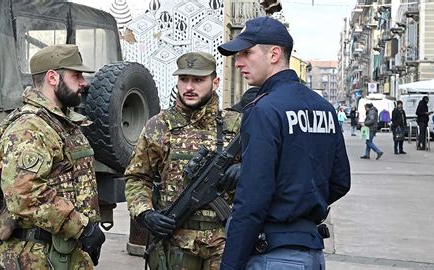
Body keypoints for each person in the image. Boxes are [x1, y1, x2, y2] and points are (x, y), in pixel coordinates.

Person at [217, 16, 351, 270]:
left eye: (247, 53)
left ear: (274, 54)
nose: (238, 63)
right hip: (311, 253)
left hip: (274, 254)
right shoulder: (324, 108)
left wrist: (230, 265)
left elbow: (252, 200)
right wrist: (300, 202)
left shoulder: (264, 109)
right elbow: (340, 181)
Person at [124, 51, 242, 270]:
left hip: (224, 243)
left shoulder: (235, 125)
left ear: (215, 82)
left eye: (198, 80)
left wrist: (244, 168)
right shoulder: (159, 125)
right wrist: (145, 213)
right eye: (183, 79)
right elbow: (137, 177)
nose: (189, 87)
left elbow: (267, 170)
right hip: (175, 242)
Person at [0, 44, 105, 269]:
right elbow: (24, 194)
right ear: (53, 77)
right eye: (76, 75)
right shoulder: (29, 127)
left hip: (63, 251)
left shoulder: (63, 123)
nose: (84, 82)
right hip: (37, 256)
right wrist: (81, 227)